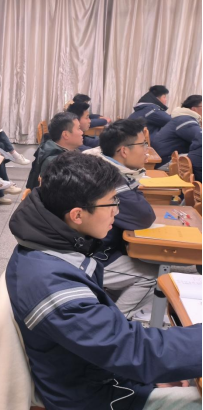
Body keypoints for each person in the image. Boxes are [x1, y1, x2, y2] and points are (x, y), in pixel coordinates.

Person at [7, 151, 202, 410]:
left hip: (95, 369)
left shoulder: (51, 242)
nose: (116, 212)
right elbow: (134, 350)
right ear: (77, 215)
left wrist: (149, 372)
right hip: (90, 396)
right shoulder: (53, 287)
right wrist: (147, 369)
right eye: (111, 203)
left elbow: (117, 342)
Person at [84, 119, 159, 318]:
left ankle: (109, 308)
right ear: (124, 151)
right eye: (143, 144)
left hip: (91, 247)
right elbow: (144, 216)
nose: (147, 151)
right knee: (153, 274)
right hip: (90, 255)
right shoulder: (110, 178)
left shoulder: (101, 164)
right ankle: (115, 322)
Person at [25, 112, 84, 190]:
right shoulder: (56, 163)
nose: (82, 132)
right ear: (65, 135)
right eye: (79, 128)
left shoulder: (65, 151)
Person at [152, 95, 203, 170]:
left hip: (165, 157)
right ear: (194, 109)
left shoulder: (182, 118)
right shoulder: (186, 121)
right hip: (166, 160)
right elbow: (200, 138)